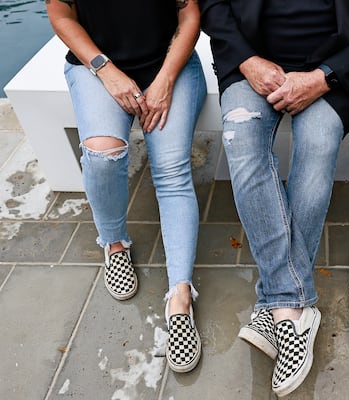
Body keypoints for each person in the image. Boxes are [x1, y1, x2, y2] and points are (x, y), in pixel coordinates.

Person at [199, 0, 349, 396]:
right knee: (240, 140)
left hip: (334, 70)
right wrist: (247, 61)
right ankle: (294, 307)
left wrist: (324, 76)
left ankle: (273, 302)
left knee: (318, 144)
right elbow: (212, 5)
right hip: (252, 62)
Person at [46, 0, 207, 373]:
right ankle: (115, 244)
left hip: (169, 64)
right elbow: (61, 12)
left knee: (170, 169)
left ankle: (180, 296)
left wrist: (165, 79)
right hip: (95, 66)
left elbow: (188, 12)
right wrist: (106, 69)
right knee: (103, 155)